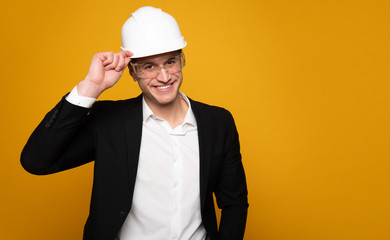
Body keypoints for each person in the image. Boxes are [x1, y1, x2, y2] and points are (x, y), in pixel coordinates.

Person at [21, 6, 248, 240]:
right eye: (149, 66)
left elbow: (235, 203)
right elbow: (36, 161)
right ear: (132, 72)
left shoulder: (218, 122)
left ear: (181, 61)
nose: (164, 76)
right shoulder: (110, 122)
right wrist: (91, 86)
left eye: (170, 62)